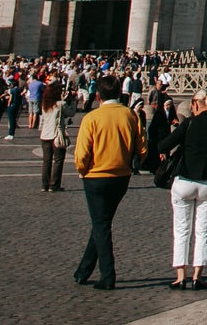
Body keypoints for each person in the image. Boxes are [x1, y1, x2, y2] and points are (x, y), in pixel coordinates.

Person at [71, 77, 143, 290]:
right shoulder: (130, 115)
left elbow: (82, 153)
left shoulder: (92, 117)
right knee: (101, 222)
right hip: (121, 177)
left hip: (95, 176)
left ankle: (108, 276)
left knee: (101, 224)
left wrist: (82, 170)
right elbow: (143, 147)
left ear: (98, 95)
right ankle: (83, 271)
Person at [164, 89, 207, 290]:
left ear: (196, 103)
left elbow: (164, 145)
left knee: (181, 229)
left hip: (185, 179)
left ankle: (180, 276)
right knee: (203, 231)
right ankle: (197, 276)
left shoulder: (189, 123)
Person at [40, 80, 80, 191]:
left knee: (46, 161)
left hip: (45, 134)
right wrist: (72, 101)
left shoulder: (44, 103)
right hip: (56, 135)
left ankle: (45, 185)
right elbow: (71, 113)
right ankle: (54, 185)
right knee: (58, 160)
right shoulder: (60, 104)